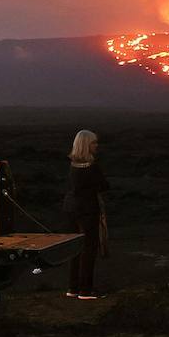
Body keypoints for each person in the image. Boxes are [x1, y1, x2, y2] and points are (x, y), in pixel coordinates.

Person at [62, 129, 109, 300]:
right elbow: (104, 186)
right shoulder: (92, 167)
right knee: (88, 249)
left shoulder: (72, 166)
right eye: (94, 142)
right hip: (87, 210)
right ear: (86, 145)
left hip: (70, 209)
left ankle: (73, 288)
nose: (97, 145)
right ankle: (85, 290)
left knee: (75, 248)